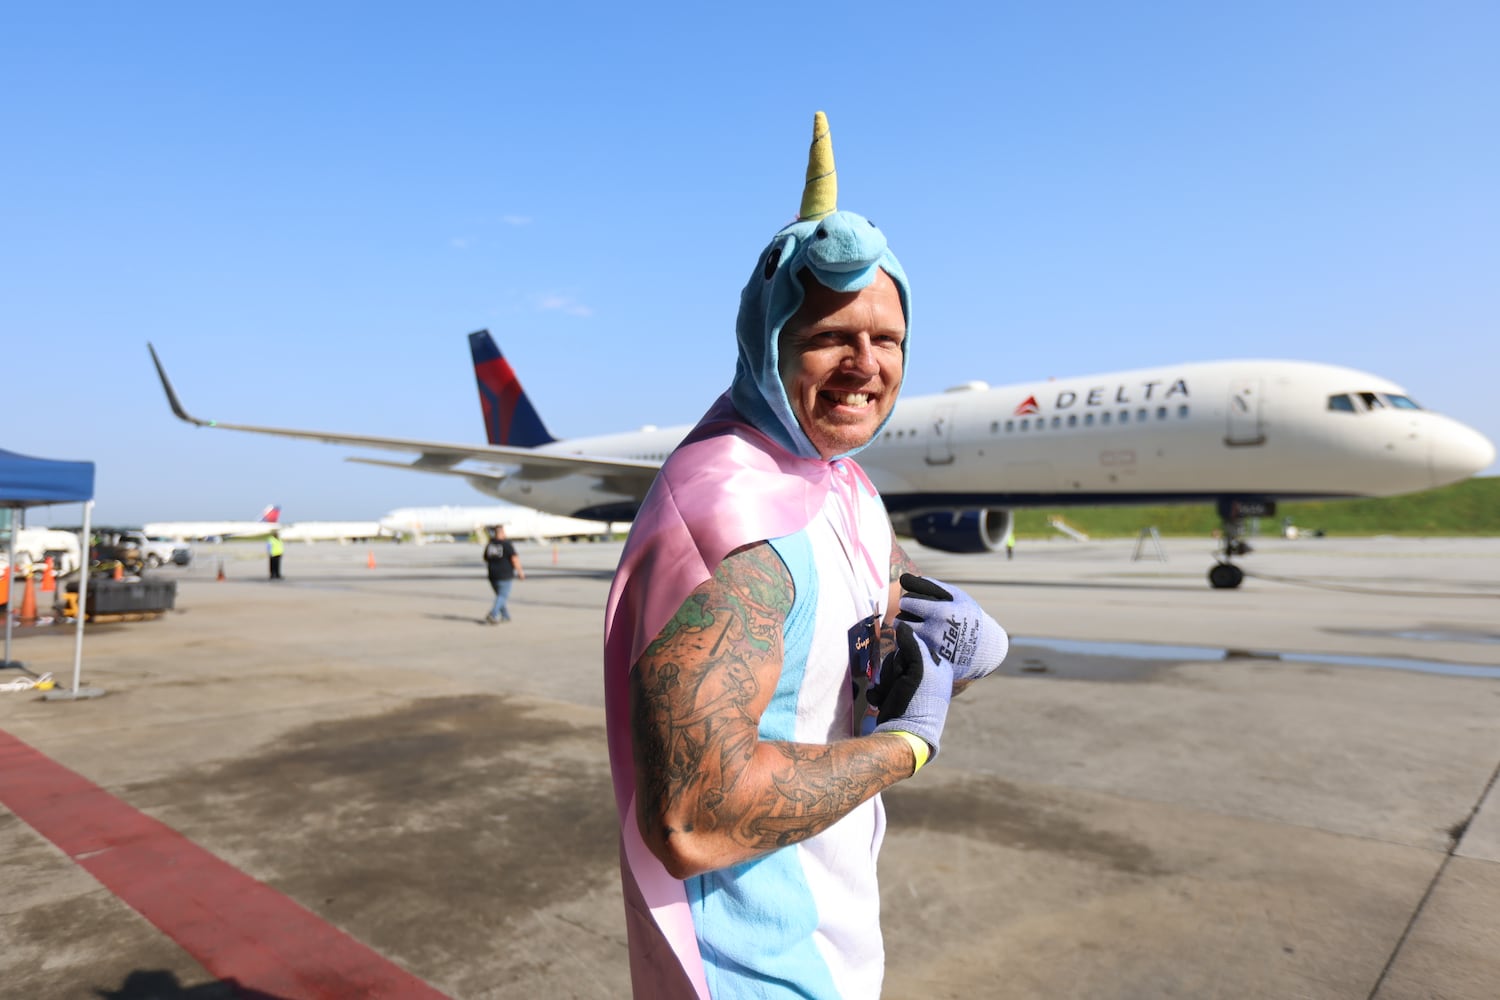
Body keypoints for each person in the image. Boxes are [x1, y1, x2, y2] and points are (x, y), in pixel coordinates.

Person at [604, 113, 1011, 999]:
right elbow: (696, 817)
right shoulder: (732, 519)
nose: (866, 364)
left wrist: (949, 645)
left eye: (889, 339)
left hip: (836, 938)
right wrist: (908, 748)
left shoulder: (843, 483)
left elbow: (858, 648)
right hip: (752, 973)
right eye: (831, 335)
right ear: (768, 338)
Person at [483, 525, 523, 623]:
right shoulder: (506, 544)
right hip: (504, 574)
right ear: (501, 533)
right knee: (502, 596)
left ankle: (505, 616)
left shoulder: (490, 544)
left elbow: (485, 558)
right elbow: (514, 559)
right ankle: (493, 614)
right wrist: (520, 572)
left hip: (492, 575)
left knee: (500, 596)